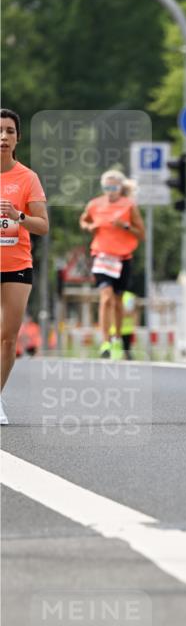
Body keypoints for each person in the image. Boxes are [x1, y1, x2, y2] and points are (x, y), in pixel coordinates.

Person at [0, 108, 49, 425]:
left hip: (16, 264)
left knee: (7, 337)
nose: (3, 137)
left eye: (9, 131)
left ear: (18, 138)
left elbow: (42, 226)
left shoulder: (27, 178)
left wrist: (18, 215)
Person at [79, 169, 144, 359]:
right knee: (105, 297)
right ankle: (105, 342)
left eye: (114, 186)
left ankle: (116, 339)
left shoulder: (129, 205)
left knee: (117, 301)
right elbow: (83, 220)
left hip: (123, 258)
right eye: (106, 187)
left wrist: (124, 226)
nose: (110, 190)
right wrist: (89, 227)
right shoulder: (95, 204)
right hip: (101, 256)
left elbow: (142, 234)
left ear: (120, 187)